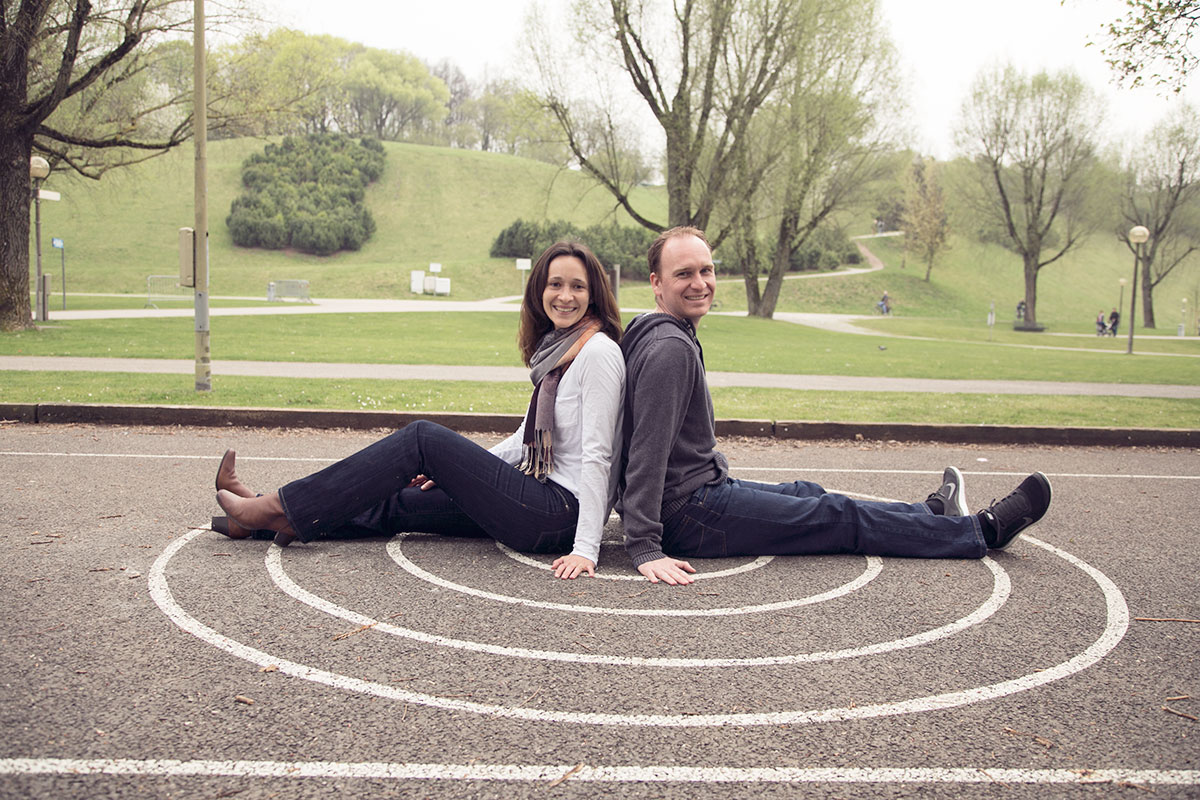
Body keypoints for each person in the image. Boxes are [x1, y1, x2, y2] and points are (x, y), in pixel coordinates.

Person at [617, 226, 1053, 585]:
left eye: (706, 270)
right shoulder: (670, 349)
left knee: (808, 494)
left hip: (698, 493)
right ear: (657, 282)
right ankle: (983, 530)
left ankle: (931, 513)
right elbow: (646, 453)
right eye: (683, 274)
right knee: (838, 517)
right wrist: (644, 545)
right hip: (688, 514)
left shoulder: (654, 328)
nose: (699, 283)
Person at [213, 240, 625, 580]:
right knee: (402, 500)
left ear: (593, 295)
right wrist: (462, 474)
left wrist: (585, 548)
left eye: (577, 286)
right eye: (555, 284)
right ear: (539, 291)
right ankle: (255, 520)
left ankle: (277, 507)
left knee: (422, 439)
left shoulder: (598, 353)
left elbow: (599, 456)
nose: (565, 296)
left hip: (557, 514)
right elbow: (524, 441)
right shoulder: (559, 352)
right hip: (533, 498)